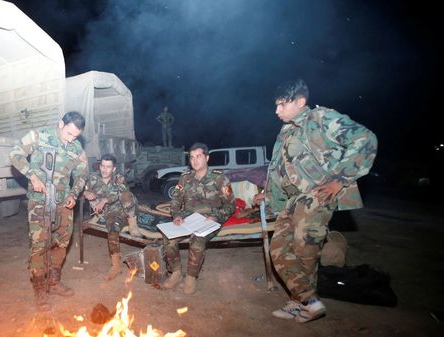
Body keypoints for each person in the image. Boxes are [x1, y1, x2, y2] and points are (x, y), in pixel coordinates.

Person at [254, 79, 377, 323]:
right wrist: (267, 194)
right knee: (279, 250)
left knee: (304, 249)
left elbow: (365, 139)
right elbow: (280, 169)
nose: (277, 111)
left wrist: (340, 179)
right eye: (276, 105)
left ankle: (306, 303)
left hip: (315, 196)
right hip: (293, 201)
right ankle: (303, 300)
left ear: (300, 102)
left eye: (281, 105)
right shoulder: (287, 130)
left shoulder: (321, 118)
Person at [9, 111, 89, 313]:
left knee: (62, 243)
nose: (71, 139)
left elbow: (82, 174)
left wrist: (74, 193)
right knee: (40, 246)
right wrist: (32, 176)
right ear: (60, 124)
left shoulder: (76, 147)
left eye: (75, 136)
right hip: (40, 202)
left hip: (64, 203)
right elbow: (15, 154)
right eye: (69, 133)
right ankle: (40, 290)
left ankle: (54, 282)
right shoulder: (38, 136)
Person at [161, 143, 235, 294]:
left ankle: (190, 278)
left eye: (199, 156)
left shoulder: (219, 178)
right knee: (168, 238)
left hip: (210, 219)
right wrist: (176, 216)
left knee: (197, 239)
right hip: (188, 218)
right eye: (192, 157)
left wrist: (217, 216)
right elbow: (175, 201)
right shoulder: (184, 178)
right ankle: (175, 274)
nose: (195, 161)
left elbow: (230, 205)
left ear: (207, 158)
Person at [83, 153, 141, 281]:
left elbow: (120, 193)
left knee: (127, 194)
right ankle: (116, 267)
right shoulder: (93, 178)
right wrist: (87, 193)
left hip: (123, 207)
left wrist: (104, 200)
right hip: (110, 212)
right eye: (102, 166)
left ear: (114, 168)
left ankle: (132, 223)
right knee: (112, 231)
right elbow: (84, 190)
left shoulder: (119, 178)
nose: (104, 169)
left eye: (108, 167)